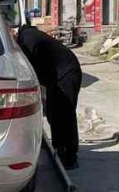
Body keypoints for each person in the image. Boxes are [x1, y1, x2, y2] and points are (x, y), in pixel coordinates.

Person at [15, 24, 83, 169]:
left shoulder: (28, 39)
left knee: (65, 114)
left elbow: (28, 69)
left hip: (67, 74)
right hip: (55, 77)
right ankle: (59, 149)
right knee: (53, 112)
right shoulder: (26, 37)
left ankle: (70, 156)